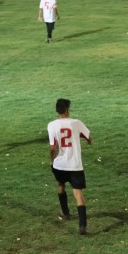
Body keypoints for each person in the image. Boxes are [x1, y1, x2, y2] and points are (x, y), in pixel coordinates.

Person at [48, 98, 92, 235]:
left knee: (60, 184)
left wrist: (51, 160)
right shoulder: (76, 123)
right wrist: (88, 141)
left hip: (59, 164)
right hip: (75, 165)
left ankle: (65, 213)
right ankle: (82, 225)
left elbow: (52, 147)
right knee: (78, 194)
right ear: (67, 110)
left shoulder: (51, 125)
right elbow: (88, 137)